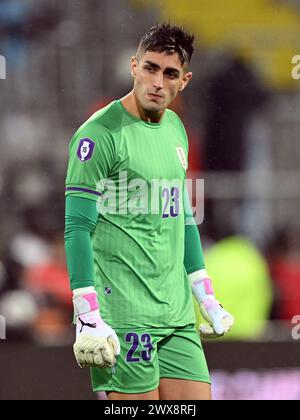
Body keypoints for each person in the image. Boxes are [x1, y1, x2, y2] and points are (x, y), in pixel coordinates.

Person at [64, 23, 234, 401]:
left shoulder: (176, 127)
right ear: (134, 66)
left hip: (177, 317)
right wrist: (86, 312)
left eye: (169, 73)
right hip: (125, 315)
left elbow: (183, 215)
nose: (158, 81)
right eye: (151, 68)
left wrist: (204, 292)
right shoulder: (99, 135)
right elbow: (77, 226)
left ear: (184, 80)